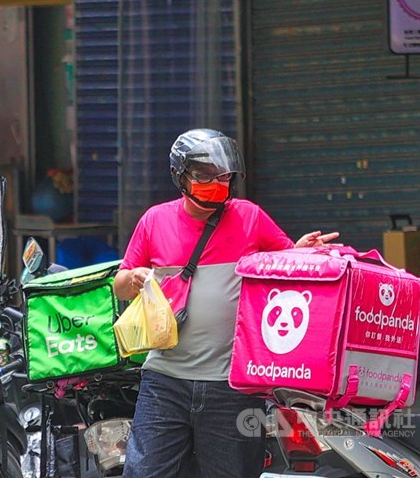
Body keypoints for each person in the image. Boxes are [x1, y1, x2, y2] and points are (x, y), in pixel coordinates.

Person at [113, 128, 339, 477]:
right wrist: (136, 277)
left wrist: (302, 251)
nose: (216, 183)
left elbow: (285, 268)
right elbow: (120, 287)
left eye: (223, 176)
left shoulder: (249, 217)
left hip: (231, 386)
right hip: (165, 382)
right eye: (205, 176)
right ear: (180, 176)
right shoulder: (154, 221)